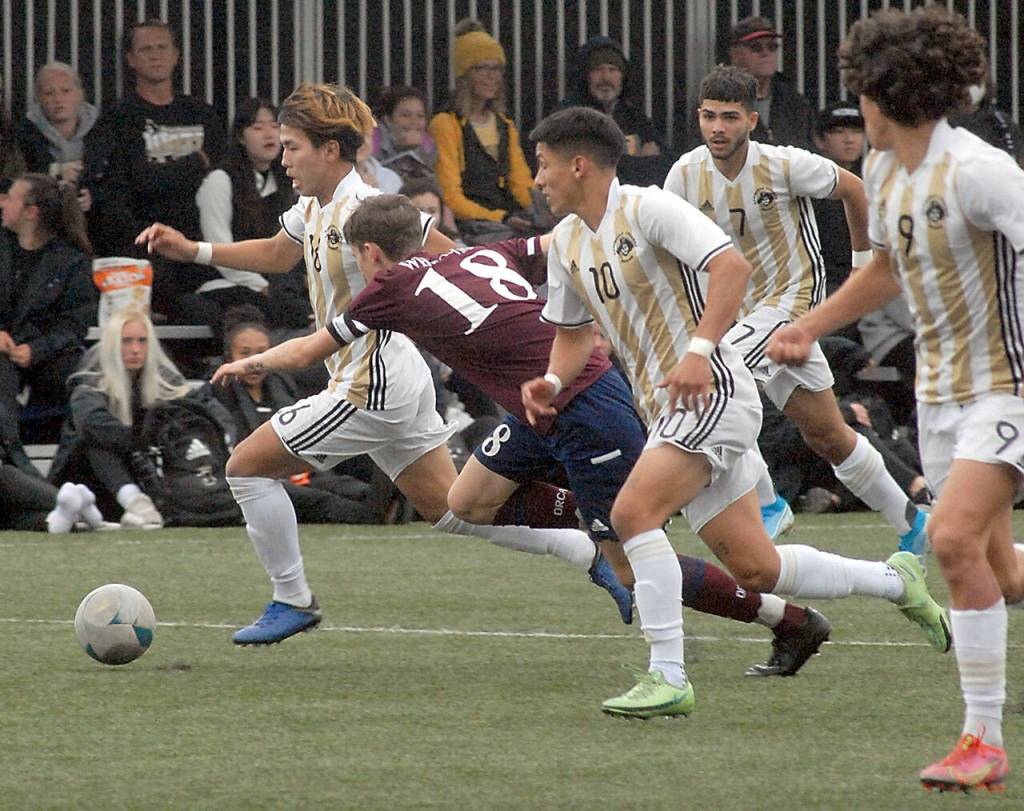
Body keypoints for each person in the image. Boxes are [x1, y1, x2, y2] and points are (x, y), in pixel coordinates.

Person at [211, 193, 837, 678]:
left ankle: (789, 620)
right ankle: (587, 526)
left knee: (633, 557)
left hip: (587, 406)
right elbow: (562, 244)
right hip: (541, 409)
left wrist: (252, 362)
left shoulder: (388, 289)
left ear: (373, 256)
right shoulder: (481, 253)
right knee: (465, 502)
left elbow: (309, 351)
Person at [135, 82, 627, 646]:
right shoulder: (315, 204)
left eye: (293, 146)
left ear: (330, 150)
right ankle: (588, 550)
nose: (283, 155)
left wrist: (526, 323)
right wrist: (192, 250)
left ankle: (292, 598)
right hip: (391, 374)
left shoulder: (368, 208)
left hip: (371, 384)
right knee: (448, 510)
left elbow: (453, 256)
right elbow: (276, 253)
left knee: (245, 467)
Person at [526, 105, 950, 718]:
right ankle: (895, 581)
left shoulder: (647, 207)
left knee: (632, 513)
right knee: (756, 567)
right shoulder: (567, 241)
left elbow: (731, 267)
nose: (538, 180)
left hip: (712, 391)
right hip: (673, 406)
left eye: (543, 166)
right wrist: (550, 380)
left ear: (579, 164)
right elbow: (573, 334)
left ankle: (668, 675)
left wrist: (699, 351)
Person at [769, 6, 1024, 792]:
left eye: (860, 93)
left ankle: (982, 740)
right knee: (998, 570)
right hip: (940, 395)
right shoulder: (885, 173)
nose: (854, 112)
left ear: (887, 93)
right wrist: (807, 325)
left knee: (947, 541)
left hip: (1008, 387)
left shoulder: (982, 173)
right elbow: (884, 269)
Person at [663, 66, 930, 556]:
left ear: (750, 120)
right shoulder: (684, 174)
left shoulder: (785, 165)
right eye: (708, 117)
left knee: (717, 373)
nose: (717, 127)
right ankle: (911, 521)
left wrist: (863, 262)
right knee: (828, 434)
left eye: (728, 117)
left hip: (791, 305)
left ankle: (768, 504)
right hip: (738, 318)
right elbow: (671, 248)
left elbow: (855, 189)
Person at [49, 306, 235, 528]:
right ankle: (137, 505)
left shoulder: (165, 381)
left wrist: (221, 435)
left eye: (142, 341)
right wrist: (150, 439)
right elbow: (93, 425)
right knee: (94, 441)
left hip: (144, 473)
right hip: (89, 481)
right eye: (126, 341)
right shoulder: (88, 385)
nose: (135, 349)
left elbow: (209, 408)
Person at [89, 19, 226, 316]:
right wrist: (195, 164)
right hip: (150, 251)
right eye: (146, 49)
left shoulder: (201, 112)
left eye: (162, 47)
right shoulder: (119, 118)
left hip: (205, 244)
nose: (155, 55)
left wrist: (159, 176)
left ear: (176, 55)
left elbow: (223, 173)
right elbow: (135, 185)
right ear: (131, 59)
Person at [212, 306, 388, 524]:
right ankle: (376, 515)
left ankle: (396, 502)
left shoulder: (280, 384)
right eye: (245, 354)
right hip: (264, 474)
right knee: (330, 503)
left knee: (356, 489)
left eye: (261, 353)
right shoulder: (218, 393)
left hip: (300, 467)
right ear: (230, 356)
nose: (253, 362)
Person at [0, 174, 97, 452]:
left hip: (45, 356)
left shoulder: (71, 262)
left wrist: (37, 349)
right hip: (2, 353)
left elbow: (75, 322)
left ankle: (74, 453)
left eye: (11, 198)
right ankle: (10, 452)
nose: (3, 203)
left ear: (31, 212)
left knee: (80, 375)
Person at [428, 19, 539, 244]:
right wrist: (502, 217)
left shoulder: (505, 125)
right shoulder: (446, 124)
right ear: (465, 74)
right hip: (471, 225)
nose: (492, 76)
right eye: (482, 68)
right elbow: (451, 196)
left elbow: (521, 183)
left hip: (507, 220)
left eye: (496, 68)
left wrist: (543, 210)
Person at [191, 98, 295, 333]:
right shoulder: (220, 181)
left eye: (275, 126)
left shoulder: (288, 183)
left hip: (273, 285)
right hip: (226, 284)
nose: (269, 134)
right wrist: (262, 286)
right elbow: (218, 251)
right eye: (257, 127)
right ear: (240, 137)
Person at [562, 36, 674, 186]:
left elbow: (668, 162)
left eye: (613, 70)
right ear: (585, 76)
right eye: (598, 69)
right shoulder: (569, 117)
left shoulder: (632, 114)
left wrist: (625, 163)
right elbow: (594, 168)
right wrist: (643, 160)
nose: (606, 77)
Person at [15, 62, 99, 214]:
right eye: (49, 93)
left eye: (66, 91)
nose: (58, 99)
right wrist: (57, 178)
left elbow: (115, 182)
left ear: (80, 94)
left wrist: (94, 197)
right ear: (38, 98)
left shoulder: (101, 131)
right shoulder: (24, 136)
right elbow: (21, 185)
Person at [727, 16, 814, 150]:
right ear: (734, 54)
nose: (766, 53)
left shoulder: (796, 104)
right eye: (756, 47)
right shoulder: (718, 101)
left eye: (772, 47)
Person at [373, 85, 437, 181]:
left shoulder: (428, 142)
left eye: (420, 116)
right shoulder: (374, 138)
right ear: (388, 120)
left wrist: (415, 149)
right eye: (405, 115)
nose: (414, 122)